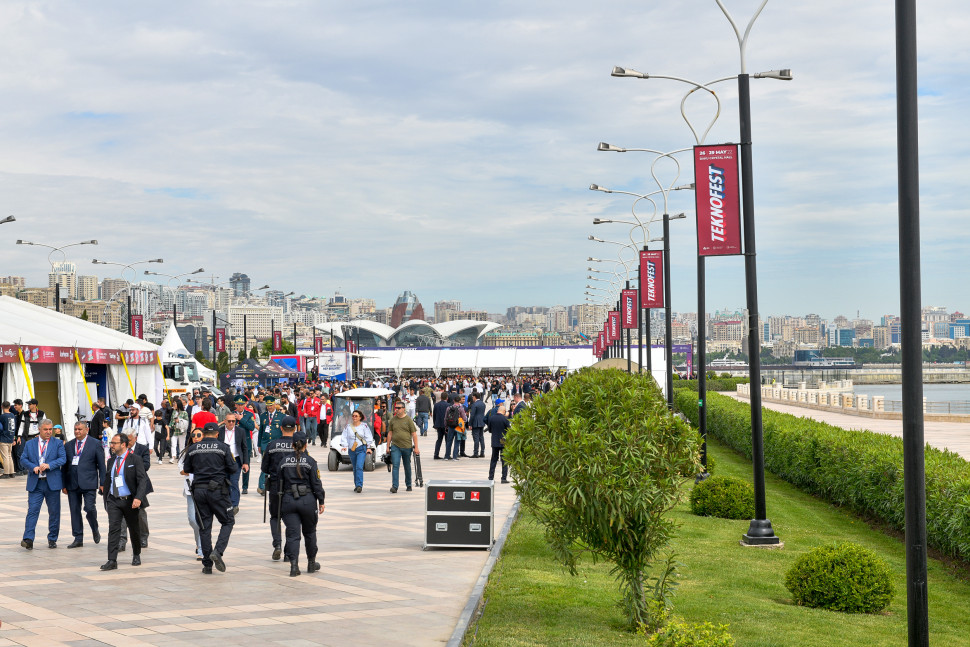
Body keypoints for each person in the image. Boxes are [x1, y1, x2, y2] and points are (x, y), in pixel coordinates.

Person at [182, 422, 237, 574]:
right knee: (228, 520)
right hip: (218, 491)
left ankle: (207, 565)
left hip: (199, 490)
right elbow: (233, 468)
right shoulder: (223, 447)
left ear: (204, 433)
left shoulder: (193, 448)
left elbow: (187, 469)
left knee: (205, 527)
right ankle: (218, 551)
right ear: (217, 434)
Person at [278, 430, 325, 577]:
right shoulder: (311, 462)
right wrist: (321, 501)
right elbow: (316, 484)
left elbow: (278, 483)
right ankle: (311, 563)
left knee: (292, 535)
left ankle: (293, 565)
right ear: (305, 445)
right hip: (307, 501)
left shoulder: (283, 461)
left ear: (292, 445)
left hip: (288, 500)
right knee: (310, 532)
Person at [99, 432, 148, 570]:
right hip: (114, 500)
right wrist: (106, 497)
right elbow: (108, 479)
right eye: (111, 443)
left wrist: (138, 497)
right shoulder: (111, 460)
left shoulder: (135, 459)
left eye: (114, 443)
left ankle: (136, 554)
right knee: (113, 529)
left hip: (130, 500)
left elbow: (142, 480)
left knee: (134, 529)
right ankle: (112, 560)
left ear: (123, 444)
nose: (112, 446)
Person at [20, 419, 66, 550]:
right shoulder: (30, 444)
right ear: (39, 429)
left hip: (52, 483)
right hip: (36, 484)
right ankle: (28, 539)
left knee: (54, 512)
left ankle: (52, 538)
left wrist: (50, 465)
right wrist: (32, 467)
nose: (48, 432)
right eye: (46, 429)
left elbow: (63, 458)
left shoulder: (57, 443)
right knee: (32, 511)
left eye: (50, 429)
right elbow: (23, 459)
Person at [61, 420, 106, 548]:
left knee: (90, 508)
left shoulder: (96, 444)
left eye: (80, 429)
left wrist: (102, 482)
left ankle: (94, 528)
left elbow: (101, 466)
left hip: (89, 482)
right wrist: (63, 484)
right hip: (72, 483)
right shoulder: (69, 445)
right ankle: (78, 537)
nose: (77, 431)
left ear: (86, 430)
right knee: (74, 510)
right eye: (75, 429)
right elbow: (64, 467)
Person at [261, 415, 296, 560]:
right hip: (293, 487)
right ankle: (289, 552)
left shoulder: (272, 444)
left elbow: (264, 467)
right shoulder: (298, 445)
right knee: (291, 519)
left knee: (275, 517)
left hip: (276, 485)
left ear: (281, 428)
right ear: (295, 429)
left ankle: (277, 545)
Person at [119, 431, 154, 550]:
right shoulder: (120, 449)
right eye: (125, 440)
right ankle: (122, 540)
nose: (127, 442)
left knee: (140, 513)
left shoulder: (142, 449)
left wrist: (132, 466)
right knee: (122, 514)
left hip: (139, 485)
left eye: (129, 439)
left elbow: (146, 466)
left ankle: (143, 537)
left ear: (135, 438)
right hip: (123, 486)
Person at [179, 428, 205, 561]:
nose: (196, 437)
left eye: (199, 435)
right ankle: (199, 543)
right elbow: (182, 470)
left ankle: (201, 548)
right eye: (193, 435)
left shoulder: (207, 451)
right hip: (190, 490)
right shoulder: (187, 452)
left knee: (201, 519)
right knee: (192, 520)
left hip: (204, 489)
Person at [385, 399, 420, 493]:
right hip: (395, 446)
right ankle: (394, 486)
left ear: (404, 409)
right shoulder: (393, 420)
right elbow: (390, 434)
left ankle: (408, 484)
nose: (397, 410)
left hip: (407, 446)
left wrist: (416, 447)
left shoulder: (408, 420)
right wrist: (388, 447)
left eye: (399, 408)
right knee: (395, 465)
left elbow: (414, 434)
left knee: (407, 466)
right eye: (396, 408)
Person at [218, 413, 250, 514]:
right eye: (229, 421)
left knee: (234, 482)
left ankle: (234, 505)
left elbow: (245, 448)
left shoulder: (240, 431)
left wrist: (245, 462)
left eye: (233, 421)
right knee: (225, 483)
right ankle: (226, 504)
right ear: (225, 421)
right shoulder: (220, 431)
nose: (231, 423)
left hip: (236, 460)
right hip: (223, 461)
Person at [340, 410, 375, 493]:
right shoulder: (348, 426)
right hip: (352, 449)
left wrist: (369, 447)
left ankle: (359, 485)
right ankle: (356, 484)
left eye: (356, 416)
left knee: (359, 466)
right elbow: (344, 436)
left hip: (361, 449)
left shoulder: (364, 426)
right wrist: (344, 446)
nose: (354, 417)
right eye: (353, 416)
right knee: (355, 467)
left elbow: (368, 437)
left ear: (360, 417)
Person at [257, 396, 284, 494]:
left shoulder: (281, 416)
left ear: (275, 405)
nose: (269, 407)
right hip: (265, 443)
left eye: (271, 405)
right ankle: (261, 486)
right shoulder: (263, 416)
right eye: (268, 406)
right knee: (265, 465)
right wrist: (259, 444)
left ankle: (277, 485)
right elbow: (261, 431)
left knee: (277, 464)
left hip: (276, 444)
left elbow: (282, 431)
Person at [233, 395, 257, 495]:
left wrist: (241, 419)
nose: (240, 407)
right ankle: (234, 485)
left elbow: (251, 427)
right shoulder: (232, 414)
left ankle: (245, 486)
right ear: (235, 405)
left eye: (242, 404)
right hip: (234, 444)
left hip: (246, 443)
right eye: (238, 405)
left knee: (246, 465)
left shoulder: (249, 414)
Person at [487, 405, 511, 484]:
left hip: (494, 441)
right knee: (504, 460)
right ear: (504, 411)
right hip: (503, 441)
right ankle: (503, 478)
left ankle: (491, 477)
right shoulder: (505, 419)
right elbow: (509, 430)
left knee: (493, 459)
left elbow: (490, 430)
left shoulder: (491, 418)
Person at [467, 392, 486, 458]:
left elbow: (472, 415)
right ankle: (482, 452)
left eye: (472, 397)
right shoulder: (483, 404)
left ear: (474, 397)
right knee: (481, 437)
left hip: (476, 422)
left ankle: (475, 452)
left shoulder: (474, 404)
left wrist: (470, 423)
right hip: (481, 421)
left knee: (476, 438)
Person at [432, 392, 450, 460]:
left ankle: (436, 454)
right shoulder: (448, 405)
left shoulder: (436, 405)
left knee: (439, 440)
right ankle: (447, 454)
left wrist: (435, 424)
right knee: (447, 440)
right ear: (447, 398)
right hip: (446, 425)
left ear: (441, 397)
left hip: (438, 425)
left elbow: (434, 416)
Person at [0, 401, 16, 477]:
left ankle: (6, 473)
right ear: (9, 407)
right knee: (9, 456)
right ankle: (12, 472)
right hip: (11, 438)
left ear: (2, 407)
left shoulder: (2, 416)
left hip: (3, 438)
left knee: (5, 456)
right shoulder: (12, 415)